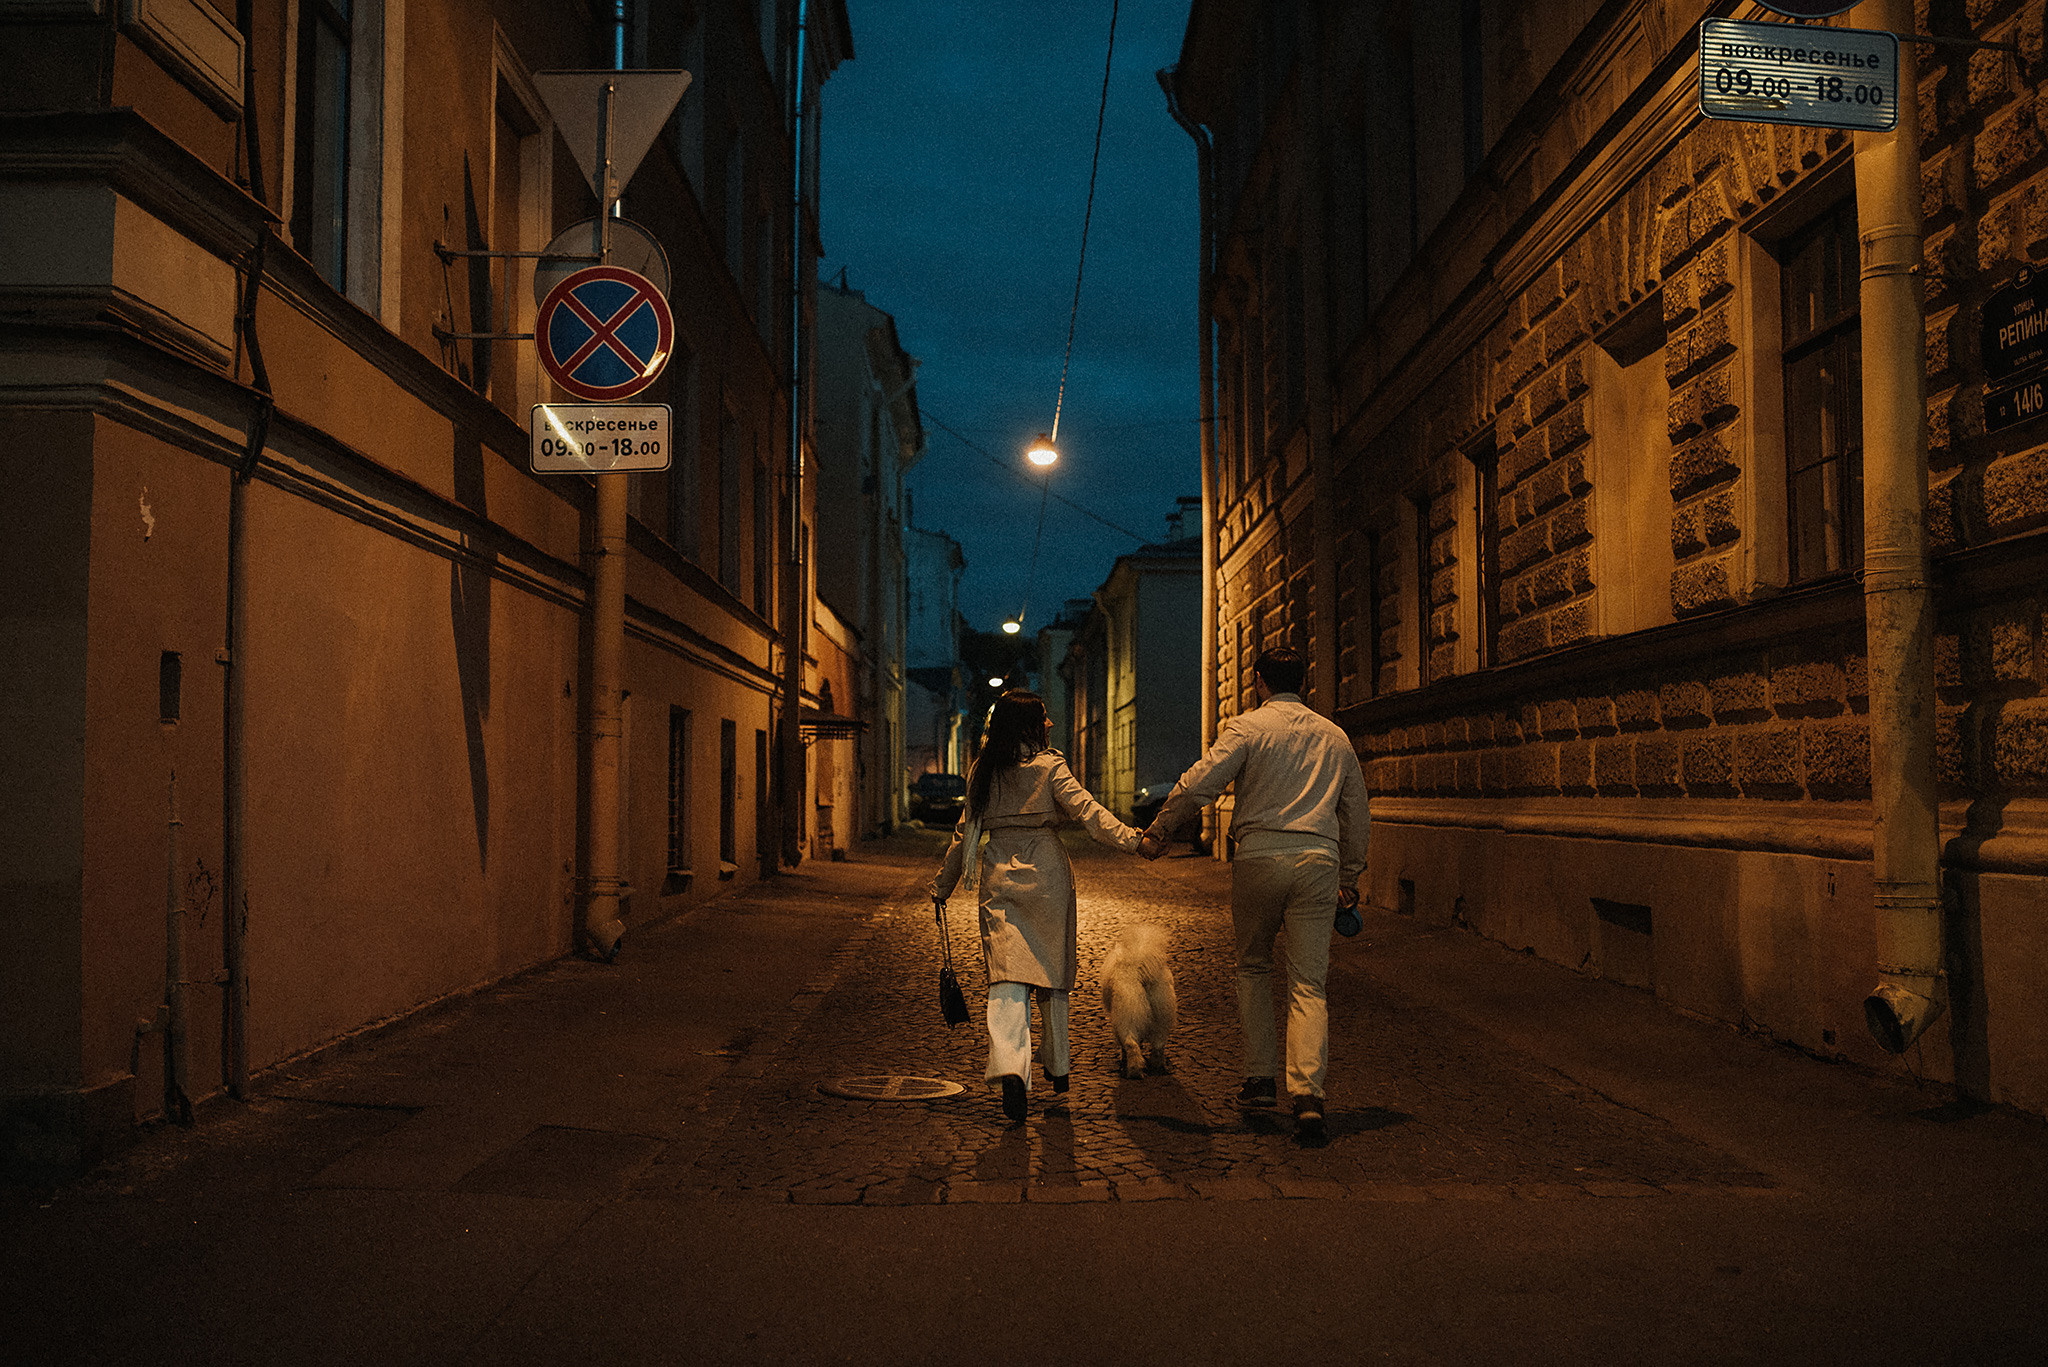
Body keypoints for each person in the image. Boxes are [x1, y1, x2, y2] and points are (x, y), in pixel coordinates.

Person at [1138, 647, 1368, 1140]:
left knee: (1254, 967)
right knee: (1309, 983)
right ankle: (1308, 1095)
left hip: (1259, 858)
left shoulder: (1246, 728)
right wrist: (1350, 874)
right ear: (1301, 682)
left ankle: (1260, 1079)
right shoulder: (1335, 736)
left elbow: (1200, 783)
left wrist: (1160, 830)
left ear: (1259, 681)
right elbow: (1355, 811)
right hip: (1318, 861)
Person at [931, 690, 1141, 1123]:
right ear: (1029, 725)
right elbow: (1089, 813)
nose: (1049, 725)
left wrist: (943, 886)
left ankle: (1011, 1065)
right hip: (1047, 873)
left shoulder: (983, 770)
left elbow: (963, 832)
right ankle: (1056, 1063)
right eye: (1043, 718)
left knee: (1006, 977)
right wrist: (1136, 840)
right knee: (1050, 970)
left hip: (998, 875)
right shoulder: (1050, 767)